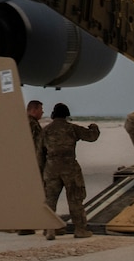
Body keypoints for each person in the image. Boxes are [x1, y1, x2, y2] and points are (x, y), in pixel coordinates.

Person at [40, 103, 100, 239]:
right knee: (75, 198)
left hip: (51, 167)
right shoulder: (72, 128)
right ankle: (80, 230)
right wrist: (94, 127)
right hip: (69, 166)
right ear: (66, 114)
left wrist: (43, 169)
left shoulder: (46, 130)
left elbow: (39, 152)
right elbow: (92, 137)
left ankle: (49, 228)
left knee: (50, 199)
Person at [25, 99, 47, 176]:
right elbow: (37, 143)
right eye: (41, 109)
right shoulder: (32, 124)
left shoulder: (26, 121)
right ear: (34, 110)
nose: (42, 112)